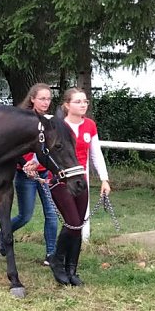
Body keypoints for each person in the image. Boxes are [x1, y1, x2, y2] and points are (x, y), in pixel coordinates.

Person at [48, 87, 112, 286]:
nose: (83, 104)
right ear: (67, 105)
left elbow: (95, 154)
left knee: (78, 225)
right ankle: (57, 261)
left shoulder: (90, 126)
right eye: (78, 101)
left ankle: (71, 269)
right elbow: (44, 151)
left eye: (85, 101)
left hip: (80, 181)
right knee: (73, 223)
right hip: (60, 180)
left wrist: (104, 179)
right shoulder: (56, 126)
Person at [0, 83, 60, 266]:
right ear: (32, 98)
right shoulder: (21, 119)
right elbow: (12, 148)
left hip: (46, 173)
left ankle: (51, 254)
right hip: (25, 175)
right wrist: (25, 166)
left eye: (48, 99)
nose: (46, 102)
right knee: (25, 215)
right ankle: (4, 232)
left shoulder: (51, 121)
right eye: (42, 98)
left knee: (51, 213)